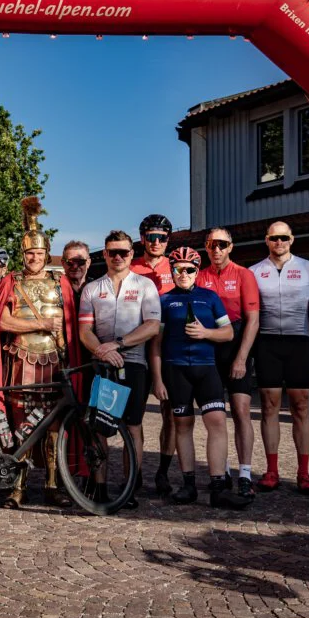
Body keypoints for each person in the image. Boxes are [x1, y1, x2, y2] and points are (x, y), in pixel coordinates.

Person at [0, 197, 82, 509]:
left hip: (54, 362)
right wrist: (38, 323)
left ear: (46, 253)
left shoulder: (62, 283)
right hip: (21, 359)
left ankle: (53, 485)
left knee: (53, 425)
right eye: (29, 253)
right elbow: (2, 320)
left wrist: (69, 354)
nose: (34, 258)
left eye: (39, 253)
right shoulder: (11, 283)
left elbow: (69, 323)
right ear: (23, 254)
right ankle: (18, 486)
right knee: (21, 425)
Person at [149, 248, 249, 509]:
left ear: (197, 270)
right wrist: (157, 379)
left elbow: (227, 333)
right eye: (178, 269)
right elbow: (156, 344)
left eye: (189, 269)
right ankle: (188, 485)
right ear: (172, 271)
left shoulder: (210, 297)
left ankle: (218, 488)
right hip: (175, 369)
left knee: (217, 422)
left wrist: (205, 333)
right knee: (182, 426)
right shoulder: (164, 301)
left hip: (207, 368)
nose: (183, 274)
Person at [78, 230, 161, 506]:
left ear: (131, 253)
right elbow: (85, 330)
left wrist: (118, 344)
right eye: (112, 252)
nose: (117, 257)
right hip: (104, 365)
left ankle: (129, 488)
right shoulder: (93, 288)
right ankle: (100, 487)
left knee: (133, 426)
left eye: (123, 252)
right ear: (104, 254)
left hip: (134, 363)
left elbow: (151, 325)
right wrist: (101, 349)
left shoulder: (146, 285)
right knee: (101, 428)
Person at [250, 222, 309, 494]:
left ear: (291, 239)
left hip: (298, 342)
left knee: (301, 406)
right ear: (267, 240)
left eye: (284, 237)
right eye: (274, 238)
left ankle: (303, 473)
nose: (279, 242)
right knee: (269, 406)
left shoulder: (308, 268)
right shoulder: (255, 272)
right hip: (267, 343)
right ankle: (272, 471)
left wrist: (306, 337)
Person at [198, 228, 260, 499]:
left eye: (222, 244)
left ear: (231, 247)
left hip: (236, 346)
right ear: (206, 246)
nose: (217, 249)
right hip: (209, 347)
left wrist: (242, 358)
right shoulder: (200, 276)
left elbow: (253, 320)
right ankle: (221, 472)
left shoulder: (244, 275)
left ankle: (245, 473)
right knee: (215, 414)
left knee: (241, 410)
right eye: (212, 244)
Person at [131, 213, 179, 496]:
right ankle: (134, 473)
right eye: (152, 237)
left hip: (168, 347)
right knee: (134, 415)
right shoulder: (131, 266)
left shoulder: (177, 267)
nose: (157, 242)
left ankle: (162, 471)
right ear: (142, 239)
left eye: (162, 238)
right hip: (139, 346)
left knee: (170, 413)